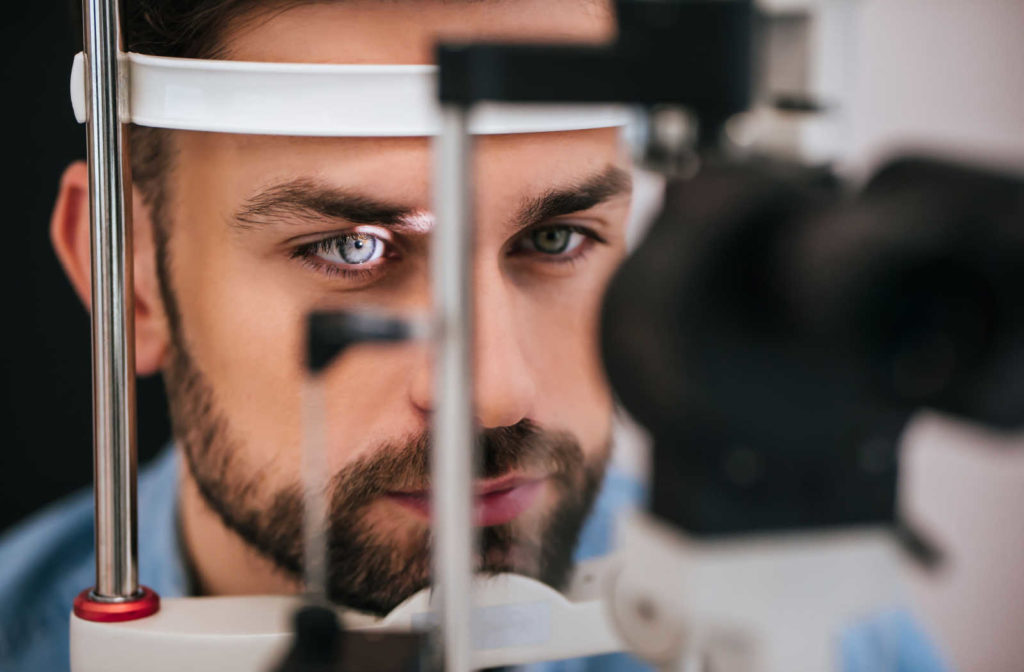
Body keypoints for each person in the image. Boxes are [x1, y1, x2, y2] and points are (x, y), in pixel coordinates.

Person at [0, 2, 950, 671]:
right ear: (128, 282)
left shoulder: (822, 639)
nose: (495, 393)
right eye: (351, 245)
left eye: (554, 238)